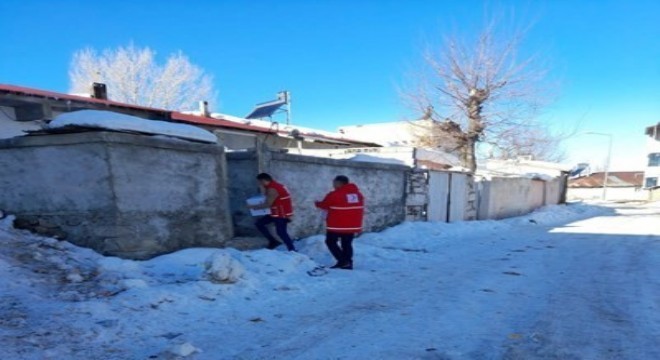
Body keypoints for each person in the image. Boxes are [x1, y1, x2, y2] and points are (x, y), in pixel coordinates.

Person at [315, 175, 365, 270]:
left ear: (339, 183)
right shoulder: (358, 195)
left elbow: (324, 205)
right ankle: (348, 262)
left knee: (330, 242)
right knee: (347, 244)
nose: (333, 184)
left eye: (334, 182)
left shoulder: (334, 194)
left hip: (337, 224)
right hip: (352, 225)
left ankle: (343, 261)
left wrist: (316, 203)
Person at [250, 173, 296, 251]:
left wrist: (253, 207)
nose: (259, 184)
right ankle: (273, 241)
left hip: (281, 213)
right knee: (259, 224)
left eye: (260, 182)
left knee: (281, 232)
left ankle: (292, 249)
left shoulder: (272, 189)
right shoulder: (276, 186)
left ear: (264, 180)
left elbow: (268, 204)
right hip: (276, 212)